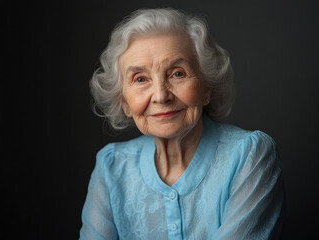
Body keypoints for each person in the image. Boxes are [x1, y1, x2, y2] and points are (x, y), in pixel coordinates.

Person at [79, 8, 284, 240]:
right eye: (140, 79)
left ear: (207, 88)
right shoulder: (111, 168)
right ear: (124, 101)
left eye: (177, 74)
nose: (160, 96)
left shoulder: (249, 155)